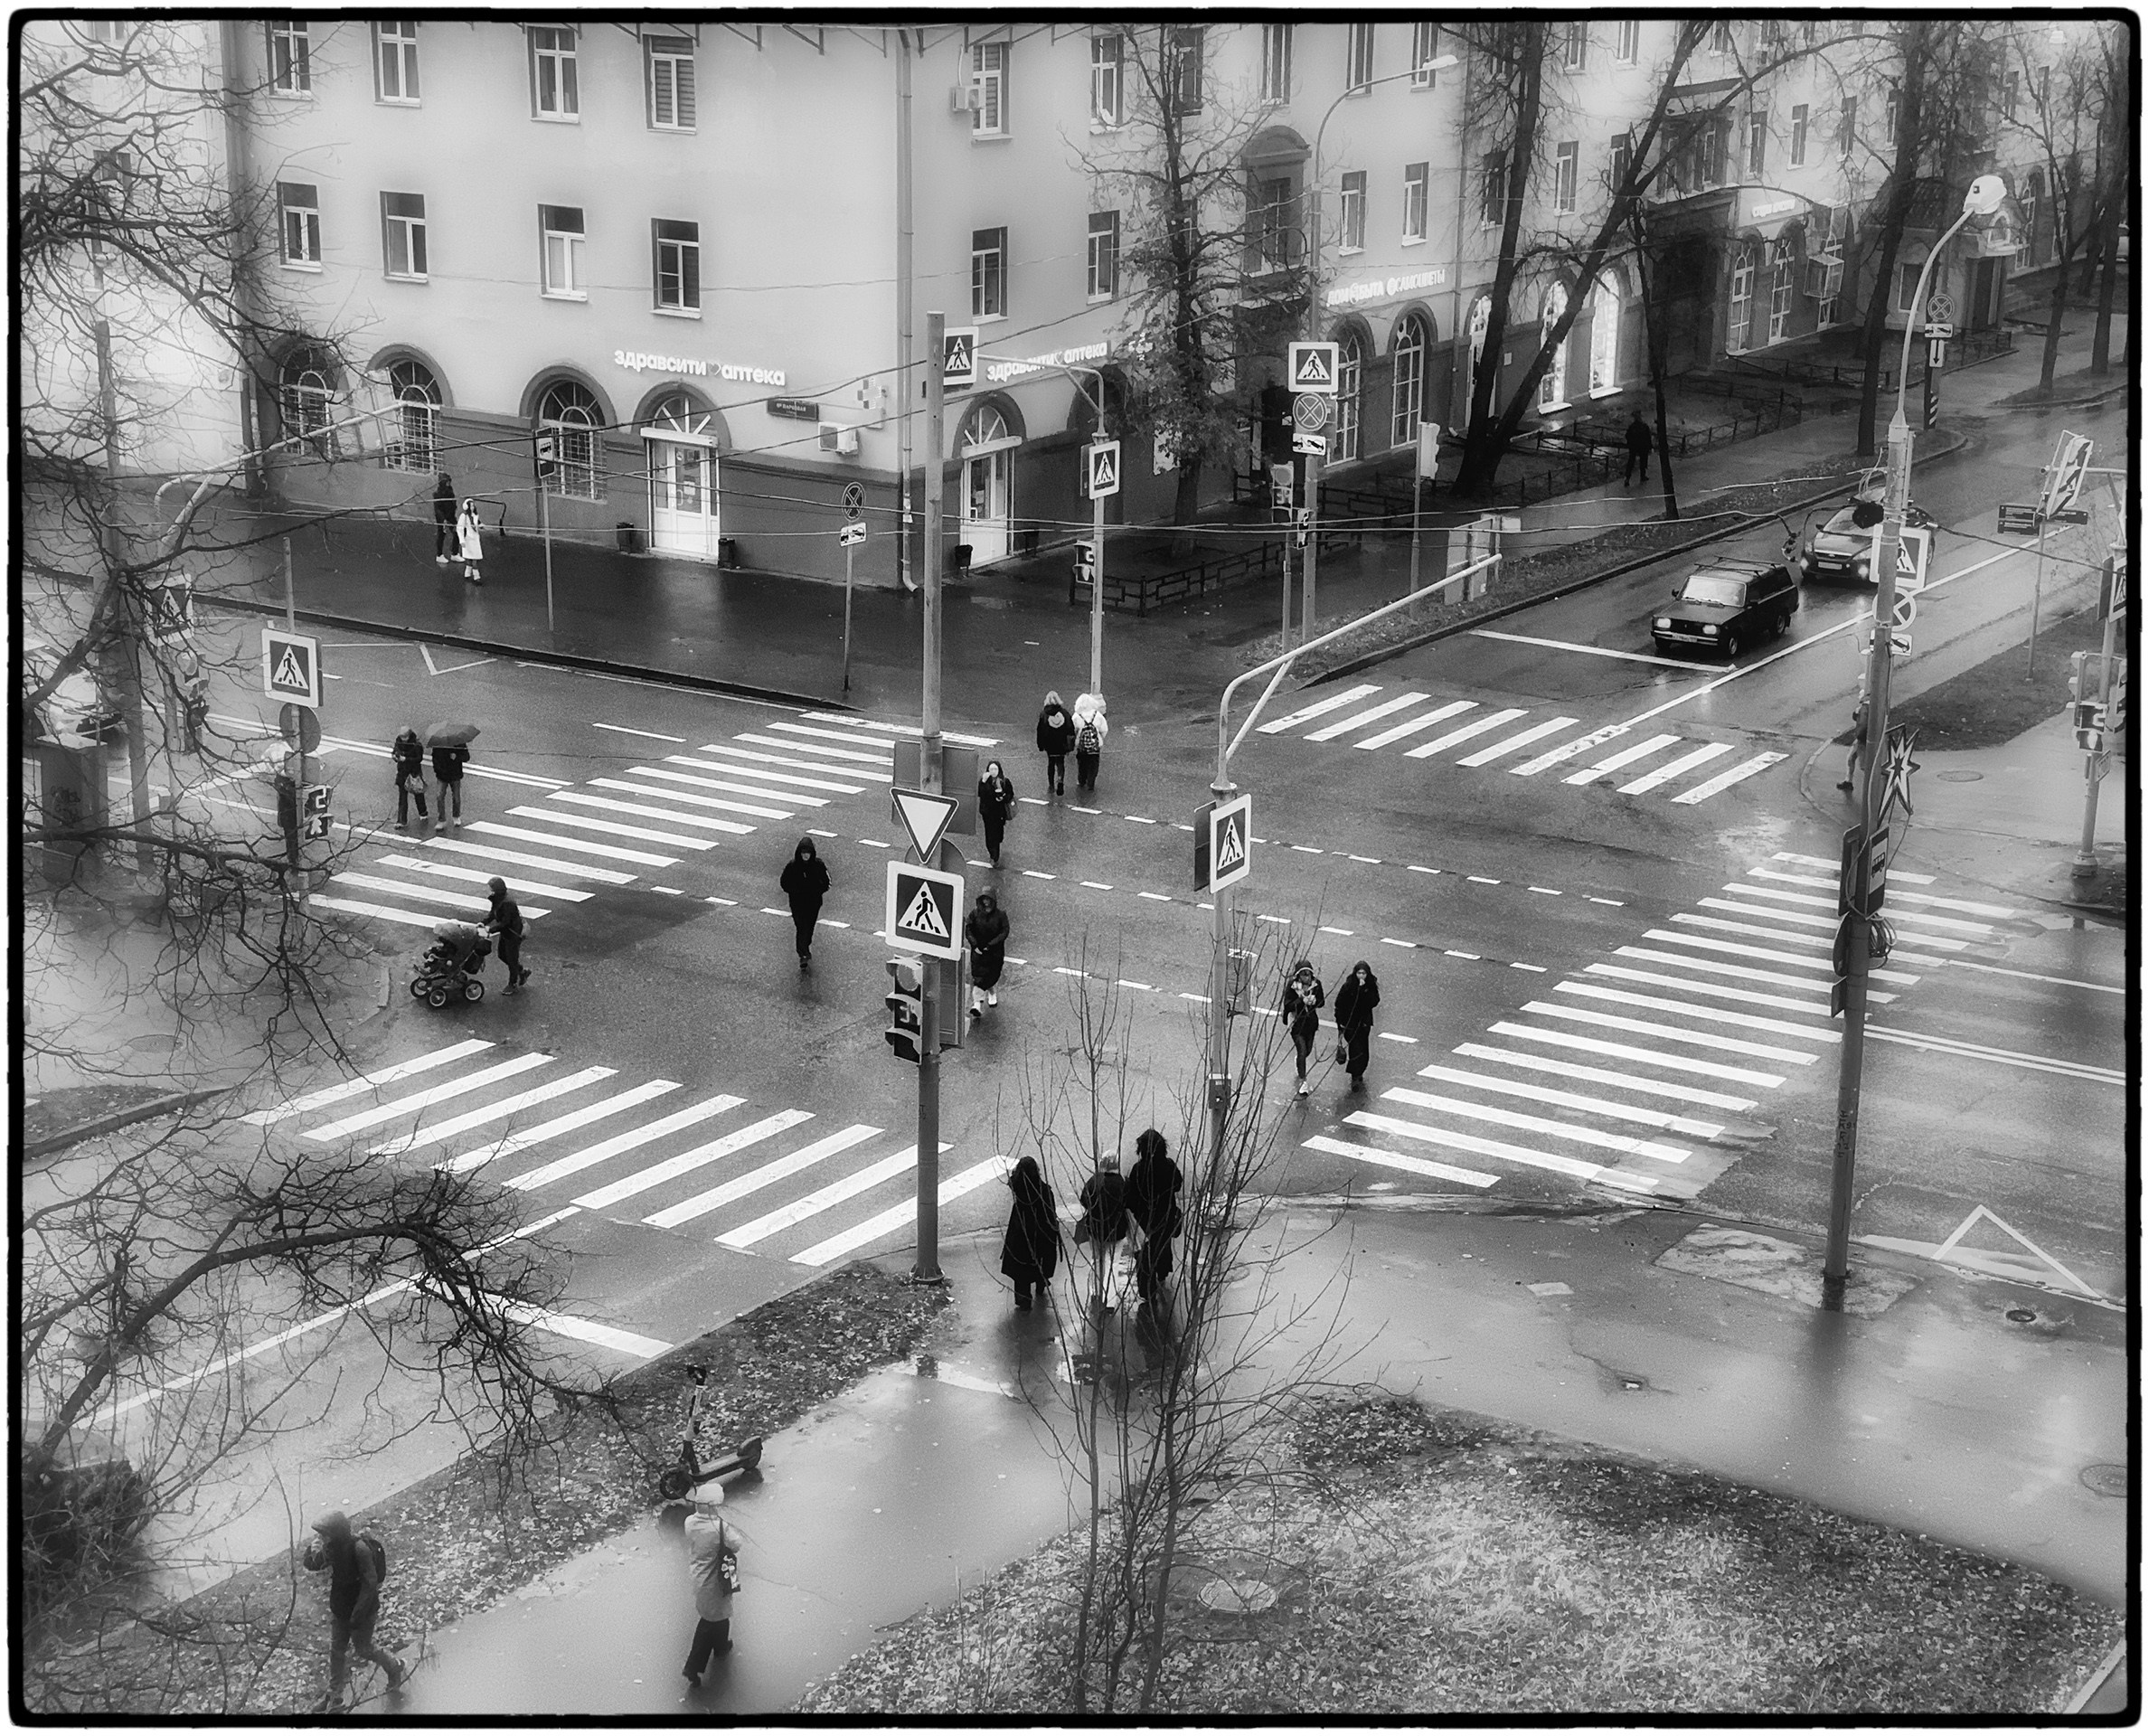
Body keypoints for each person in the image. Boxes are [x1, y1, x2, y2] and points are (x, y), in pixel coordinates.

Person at [302, 1509, 405, 1708]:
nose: (323, 1538)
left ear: (337, 1532)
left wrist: (358, 1614)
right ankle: (334, 1697)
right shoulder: (332, 1548)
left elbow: (370, 1583)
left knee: (364, 1649)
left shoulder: (359, 1549)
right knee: (337, 1651)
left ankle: (394, 1667)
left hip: (363, 1610)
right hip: (341, 1609)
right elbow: (314, 1565)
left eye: (326, 1534)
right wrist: (311, 1550)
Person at [681, 1484, 740, 1683]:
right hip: (715, 1580)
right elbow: (736, 1544)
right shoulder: (720, 1528)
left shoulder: (690, 1522)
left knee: (718, 1615)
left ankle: (722, 1646)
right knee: (710, 1622)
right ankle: (693, 1667)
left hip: (698, 1576)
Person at [1124, 1128, 1183, 1308]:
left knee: (1146, 1253)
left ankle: (1147, 1291)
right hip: (1165, 1216)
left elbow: (1131, 1197)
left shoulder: (1138, 1169)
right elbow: (1177, 1185)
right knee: (1163, 1245)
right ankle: (1163, 1271)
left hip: (1144, 1219)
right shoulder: (1169, 1166)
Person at [1000, 1155, 1060, 1312]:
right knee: (1041, 1260)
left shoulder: (1018, 1189)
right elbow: (1050, 1212)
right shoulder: (1044, 1190)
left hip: (1021, 1232)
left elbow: (1013, 1182)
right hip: (1041, 1233)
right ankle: (1041, 1282)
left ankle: (1024, 1299)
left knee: (1020, 1268)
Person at [1076, 1150, 1128, 1309]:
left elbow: (1084, 1200)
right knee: (1113, 1264)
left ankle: (1095, 1291)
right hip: (1117, 1230)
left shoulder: (1094, 1181)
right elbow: (1129, 1203)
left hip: (1096, 1229)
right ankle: (1110, 1300)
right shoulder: (1123, 1183)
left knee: (1097, 1259)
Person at [778, 836, 830, 968]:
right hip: (797, 904)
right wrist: (795, 892)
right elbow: (784, 882)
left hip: (813, 903)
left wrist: (816, 891)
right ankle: (803, 954)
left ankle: (805, 947)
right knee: (801, 927)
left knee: (809, 927)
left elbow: (827, 882)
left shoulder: (818, 865)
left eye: (808, 853)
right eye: (803, 853)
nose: (806, 856)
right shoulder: (792, 866)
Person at [1330, 960, 1382, 1091]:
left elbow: (1374, 1001)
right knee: (1355, 1048)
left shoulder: (1370, 986)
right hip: (1350, 1023)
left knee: (1363, 1049)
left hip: (1363, 1023)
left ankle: (1360, 1072)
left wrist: (1364, 991)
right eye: (1359, 973)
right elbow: (1340, 1003)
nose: (1361, 976)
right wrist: (1340, 1022)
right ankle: (1355, 1075)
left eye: (1363, 973)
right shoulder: (1348, 986)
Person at [1281, 959, 1325, 1098]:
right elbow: (1287, 1005)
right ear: (1298, 975)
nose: (1306, 978)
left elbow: (1322, 1002)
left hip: (1310, 1023)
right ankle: (1302, 1081)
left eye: (1308, 974)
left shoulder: (1316, 985)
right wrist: (1301, 1001)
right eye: (1303, 974)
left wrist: (1314, 1001)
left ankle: (1299, 1062)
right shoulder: (1292, 986)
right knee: (1301, 1049)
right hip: (1296, 1024)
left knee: (1308, 1050)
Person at [964, 889, 1009, 1020]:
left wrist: (991, 945)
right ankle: (977, 1004)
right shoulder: (975, 914)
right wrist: (975, 945)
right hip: (978, 952)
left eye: (988, 899)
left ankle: (992, 992)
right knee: (978, 978)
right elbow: (969, 929)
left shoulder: (1001, 916)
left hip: (994, 953)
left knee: (990, 976)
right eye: (984, 899)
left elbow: (1004, 932)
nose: (986, 902)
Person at [485, 876, 529, 994]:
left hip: (513, 933)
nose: (489, 890)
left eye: (491, 888)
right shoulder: (497, 899)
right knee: (502, 955)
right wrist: (483, 922)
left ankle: (512, 984)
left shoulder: (508, 903)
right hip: (506, 932)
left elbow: (505, 922)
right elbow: (493, 913)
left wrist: (491, 929)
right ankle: (521, 971)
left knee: (511, 958)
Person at [1035, 691, 1077, 797]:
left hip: (1049, 745)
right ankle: (1060, 780)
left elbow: (1040, 731)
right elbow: (1070, 729)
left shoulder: (1044, 714)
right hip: (1061, 744)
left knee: (1051, 763)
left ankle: (1051, 785)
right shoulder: (1064, 713)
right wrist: (1070, 746)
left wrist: (1041, 745)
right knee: (1060, 763)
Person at [977, 760, 1016, 867]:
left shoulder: (1004, 781)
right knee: (990, 835)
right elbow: (980, 793)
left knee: (998, 834)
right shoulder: (984, 781)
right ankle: (994, 855)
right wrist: (983, 783)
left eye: (995, 769)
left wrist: (1003, 797)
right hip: (988, 812)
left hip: (999, 812)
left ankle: (995, 848)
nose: (993, 771)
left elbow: (1010, 794)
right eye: (991, 769)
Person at [391, 727, 429, 833]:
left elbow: (419, 759)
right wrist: (395, 757)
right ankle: (401, 820)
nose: (403, 739)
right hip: (402, 774)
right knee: (402, 798)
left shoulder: (416, 745)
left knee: (418, 794)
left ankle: (423, 812)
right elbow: (394, 751)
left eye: (405, 737)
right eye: (402, 737)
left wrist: (406, 759)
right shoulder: (398, 742)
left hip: (413, 773)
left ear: (409, 735)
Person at [1071, 693, 1107, 795]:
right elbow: (1104, 729)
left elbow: (1072, 730)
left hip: (1082, 746)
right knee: (1093, 765)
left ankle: (1081, 780)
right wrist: (1099, 739)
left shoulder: (1076, 716)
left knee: (1082, 764)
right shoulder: (1097, 715)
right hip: (1094, 747)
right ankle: (1091, 783)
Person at [430, 736, 469, 832]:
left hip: (455, 775)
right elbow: (434, 758)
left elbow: (466, 757)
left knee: (456, 797)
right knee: (439, 796)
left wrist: (457, 757)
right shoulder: (438, 744)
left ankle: (456, 816)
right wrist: (438, 771)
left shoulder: (459, 742)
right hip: (442, 775)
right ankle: (441, 820)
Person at [1838, 696, 1869, 793]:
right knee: (1851, 757)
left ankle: (1872, 785)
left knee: (1864, 765)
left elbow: (1862, 724)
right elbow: (1857, 719)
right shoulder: (1866, 708)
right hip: (1862, 739)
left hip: (1862, 740)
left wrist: (1859, 737)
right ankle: (1848, 781)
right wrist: (1856, 713)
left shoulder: (1865, 709)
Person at [456, 496, 485, 585]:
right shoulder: (464, 516)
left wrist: (481, 526)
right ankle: (475, 576)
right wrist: (462, 540)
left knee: (475, 558)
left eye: (473, 506)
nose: (472, 508)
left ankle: (469, 574)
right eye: (471, 506)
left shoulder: (475, 516)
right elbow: (460, 528)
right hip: (468, 540)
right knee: (469, 558)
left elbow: (478, 524)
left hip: (475, 540)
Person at [432, 471, 457, 564]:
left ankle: (455, 553)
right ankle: (439, 555)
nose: (448, 483)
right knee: (441, 534)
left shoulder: (450, 491)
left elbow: (452, 503)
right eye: (446, 482)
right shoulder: (438, 494)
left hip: (450, 515)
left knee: (457, 531)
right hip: (442, 517)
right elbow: (438, 509)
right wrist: (443, 521)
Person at [1623, 412, 1654, 487]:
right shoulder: (1644, 426)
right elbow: (1648, 438)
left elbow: (1627, 436)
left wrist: (1630, 444)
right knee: (1643, 461)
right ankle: (1642, 476)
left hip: (1634, 447)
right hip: (1643, 447)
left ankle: (1627, 478)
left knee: (1631, 462)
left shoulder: (1632, 427)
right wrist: (1650, 447)